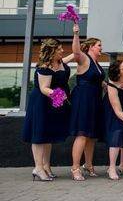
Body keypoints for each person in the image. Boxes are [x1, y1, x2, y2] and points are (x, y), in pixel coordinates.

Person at [22, 38, 73, 181]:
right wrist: (60, 95)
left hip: (52, 104)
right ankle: (38, 168)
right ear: (52, 51)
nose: (62, 51)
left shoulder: (60, 62)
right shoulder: (44, 67)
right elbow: (44, 89)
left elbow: (75, 53)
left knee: (48, 136)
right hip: (41, 103)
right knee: (39, 135)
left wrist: (76, 35)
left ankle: (46, 166)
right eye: (59, 49)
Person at [68, 23, 105, 181]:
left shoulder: (97, 65)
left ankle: (88, 165)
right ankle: (75, 167)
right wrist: (76, 34)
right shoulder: (84, 58)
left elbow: (101, 82)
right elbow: (76, 51)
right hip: (83, 99)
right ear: (90, 47)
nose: (101, 48)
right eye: (99, 45)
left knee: (91, 135)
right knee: (82, 134)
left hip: (95, 99)